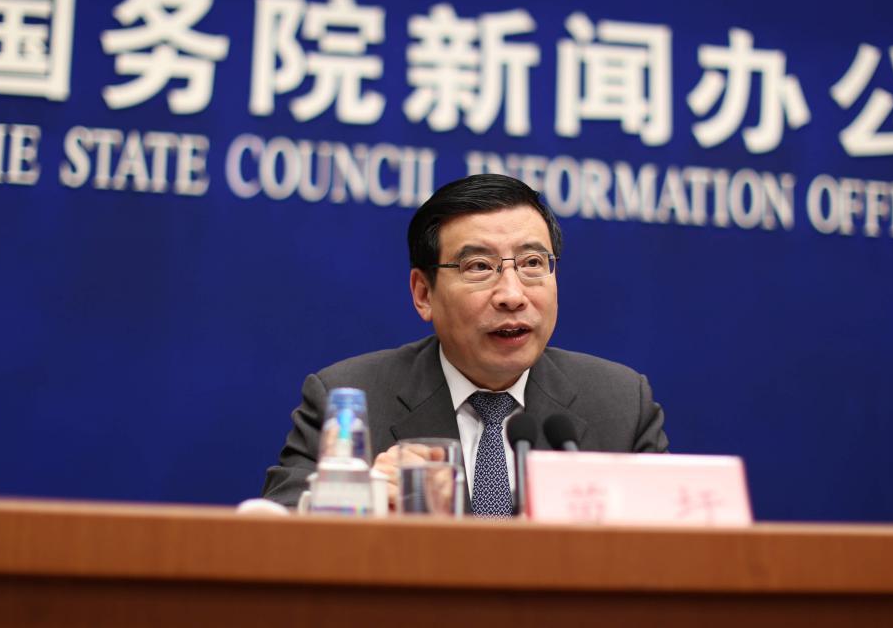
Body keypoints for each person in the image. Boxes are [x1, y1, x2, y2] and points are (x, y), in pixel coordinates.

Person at [262, 174, 668, 514]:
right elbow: (274, 536)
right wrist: (361, 497)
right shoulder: (351, 399)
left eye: (532, 264)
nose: (512, 295)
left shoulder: (620, 405)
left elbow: (672, 548)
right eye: (479, 267)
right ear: (423, 293)